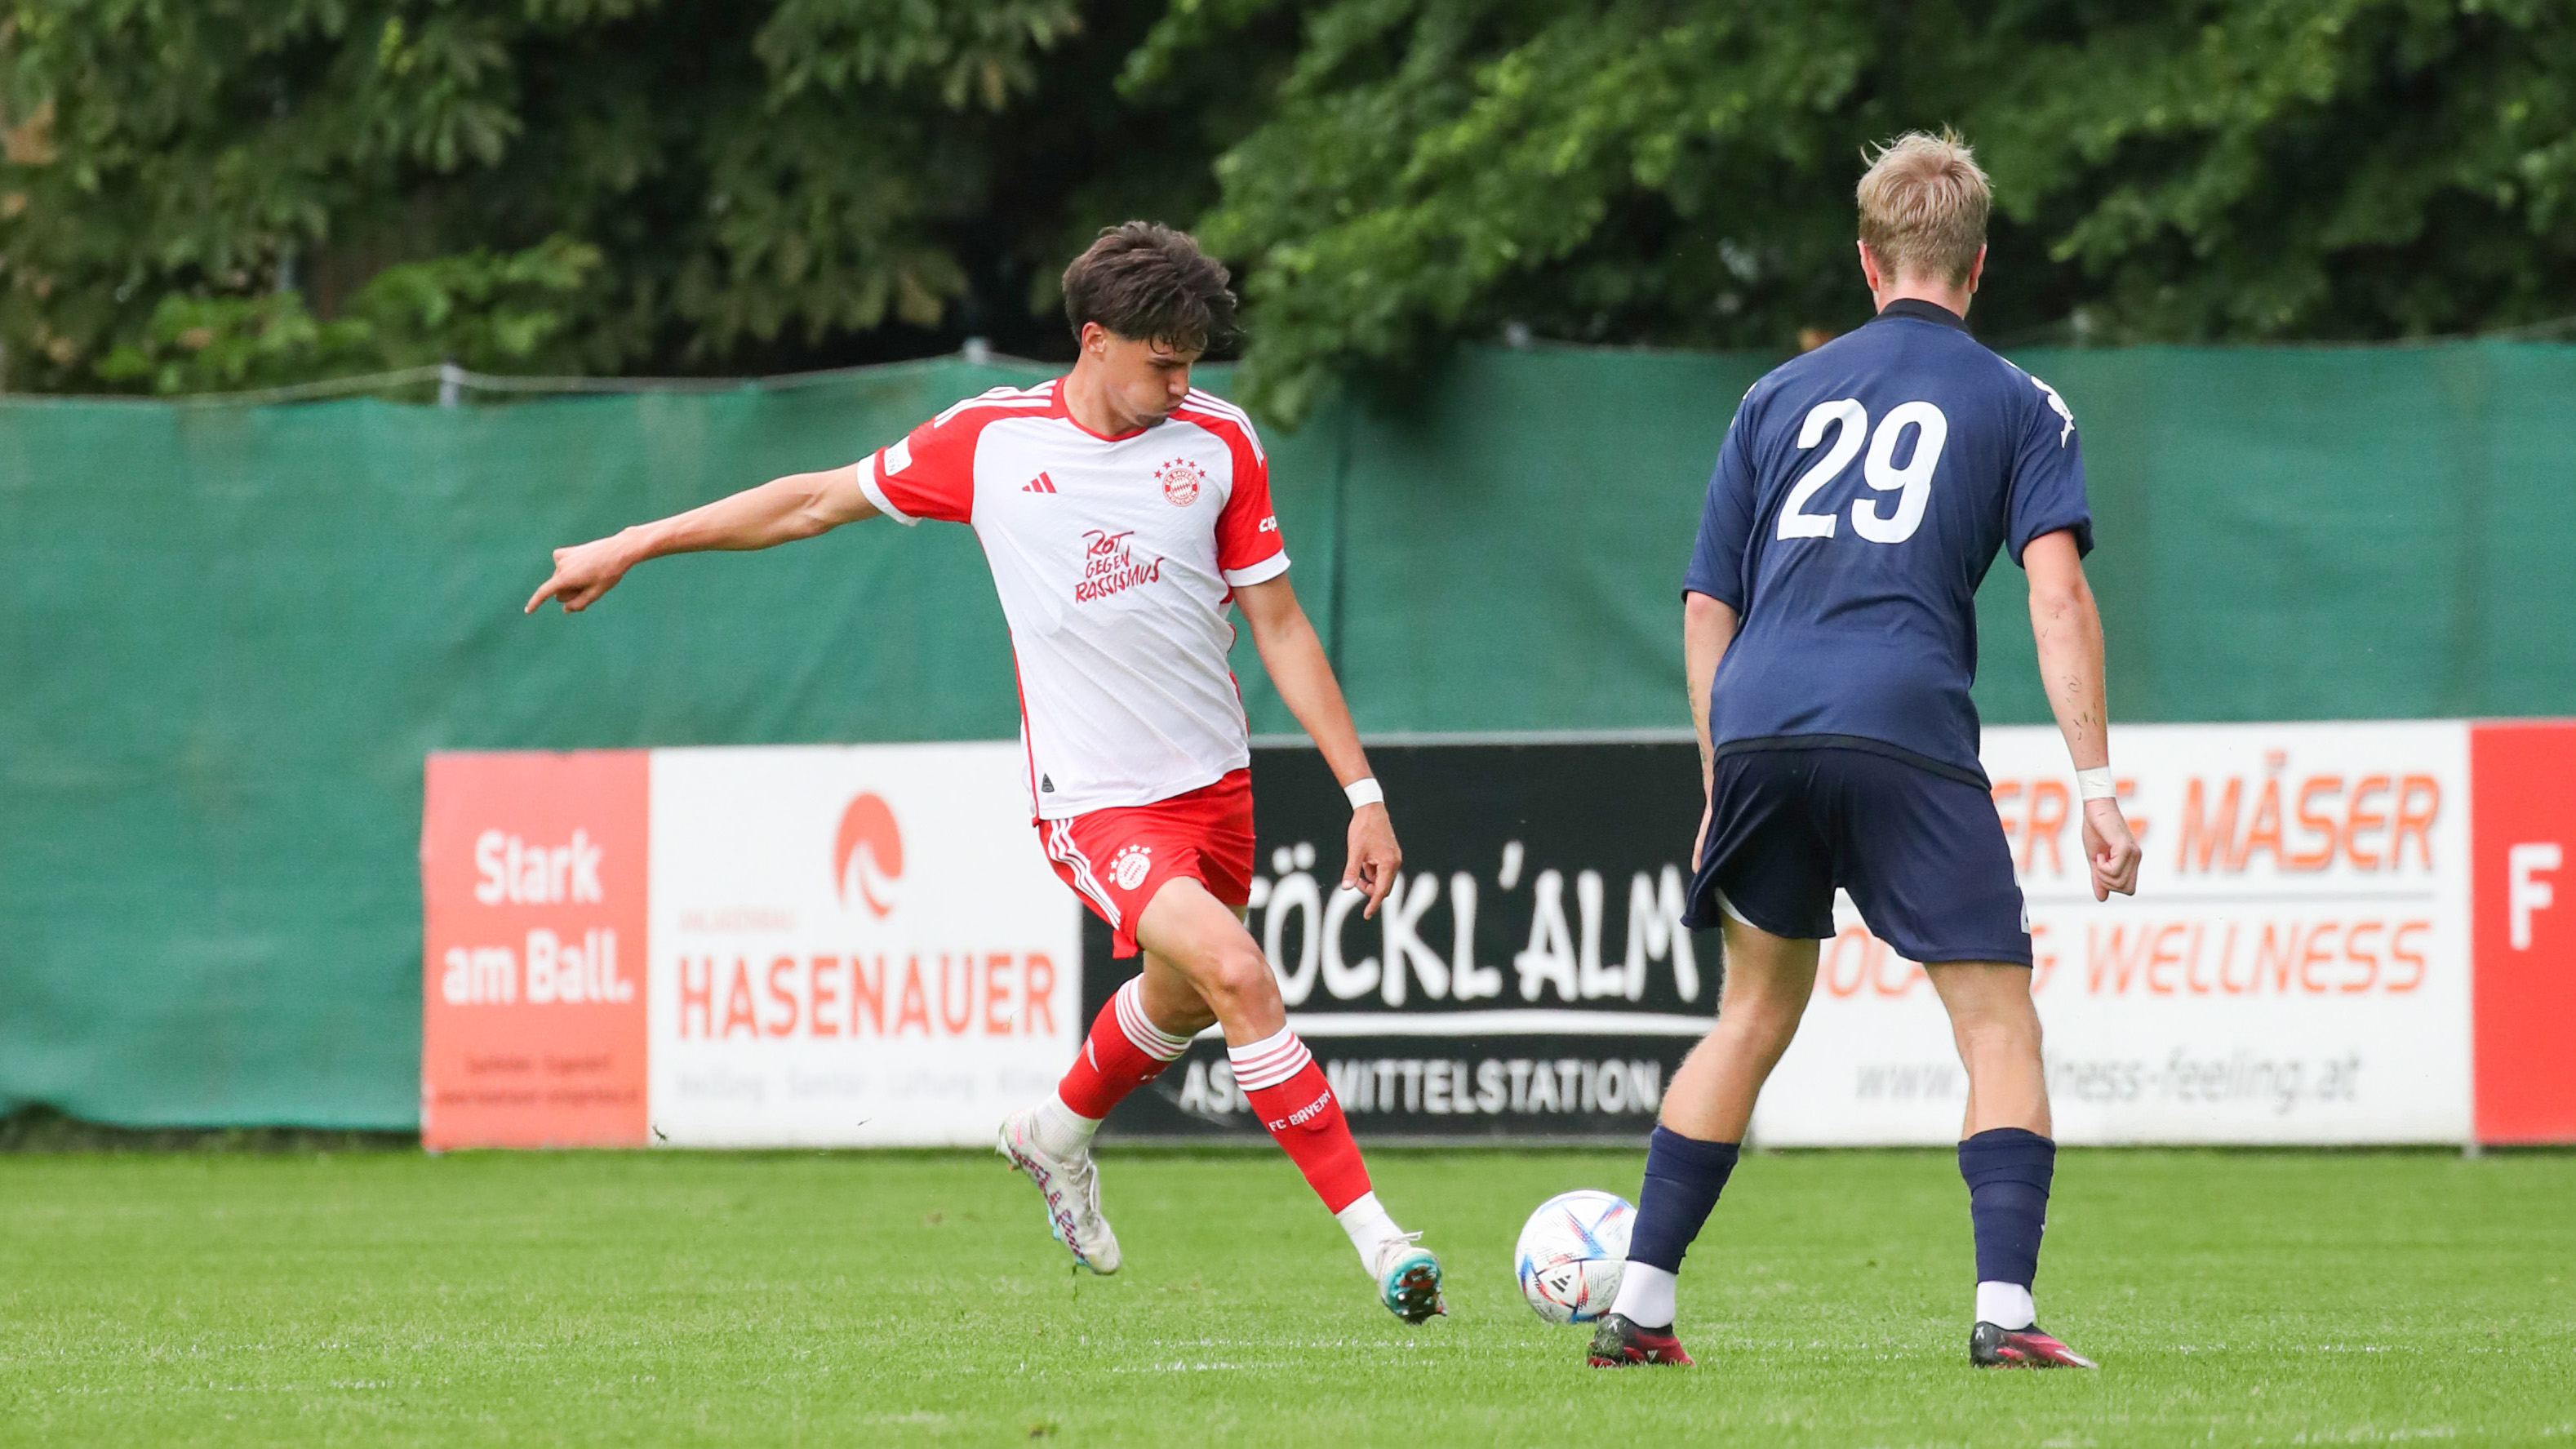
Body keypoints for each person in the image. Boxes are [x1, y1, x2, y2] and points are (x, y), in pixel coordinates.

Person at [525, 222, 1445, 1325]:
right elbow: (812, 500)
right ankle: (1384, 1245)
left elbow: (1283, 628)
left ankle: (1052, 1134)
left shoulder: (1220, 442)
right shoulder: (992, 441)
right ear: (1094, 342)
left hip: (1215, 788)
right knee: (1240, 975)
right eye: (1163, 360)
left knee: (1188, 1002)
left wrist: (1364, 794)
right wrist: (636, 540)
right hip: (1094, 803)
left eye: (1193, 360)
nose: (1181, 380)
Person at [1587, 133, 2142, 1370]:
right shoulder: (2019, 402)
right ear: (1978, 265)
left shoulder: (1774, 398)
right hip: (1900, 720)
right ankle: (2003, 1317)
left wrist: (1719, 770)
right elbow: (2059, 602)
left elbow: (1704, 608)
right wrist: (2096, 792)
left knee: (1751, 1014)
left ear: (1865, 260)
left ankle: (1642, 1306)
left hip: (1765, 720)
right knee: (1997, 1025)